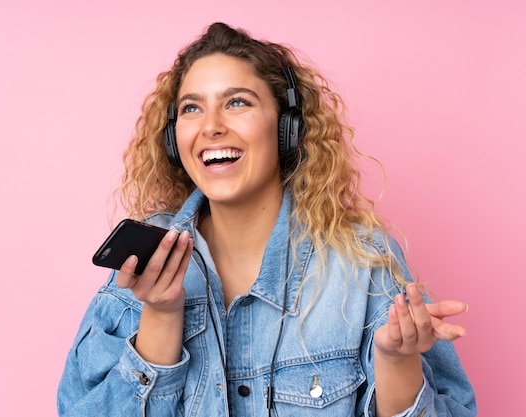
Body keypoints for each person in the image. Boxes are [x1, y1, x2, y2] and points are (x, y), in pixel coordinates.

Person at [57, 22, 477, 417]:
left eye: (237, 102)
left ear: (287, 128)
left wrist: (397, 362)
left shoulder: (362, 262)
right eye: (191, 108)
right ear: (173, 140)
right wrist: (162, 318)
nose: (211, 127)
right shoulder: (140, 271)